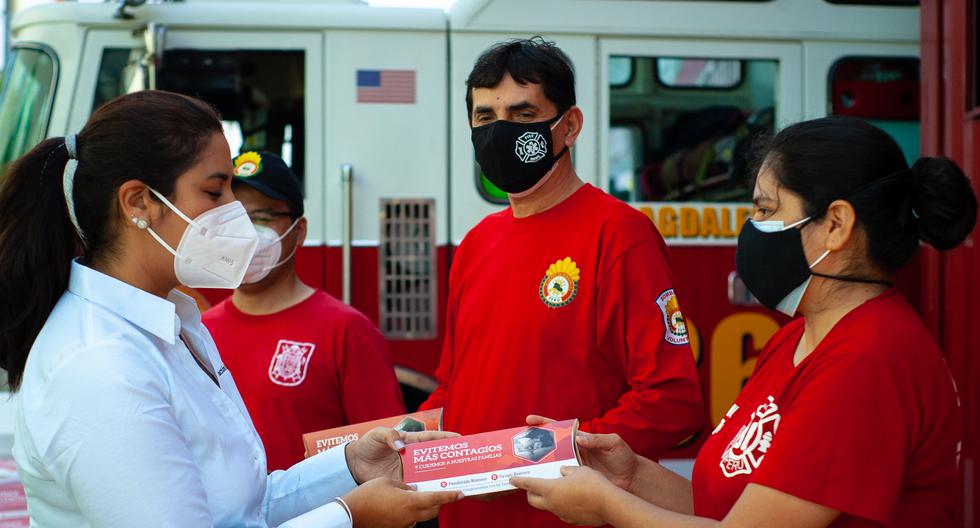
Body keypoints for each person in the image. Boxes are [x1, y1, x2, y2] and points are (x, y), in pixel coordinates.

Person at [0, 90, 460, 527]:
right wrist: (350, 515)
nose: (234, 215)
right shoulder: (100, 362)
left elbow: (244, 504)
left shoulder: (176, 324)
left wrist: (350, 466)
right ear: (138, 202)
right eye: (215, 192)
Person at [509, 116, 976, 527]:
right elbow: (729, 506)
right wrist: (630, 476)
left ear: (836, 224)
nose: (752, 226)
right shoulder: (799, 336)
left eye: (767, 210)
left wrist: (608, 506)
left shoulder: (867, 362)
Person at [419, 37, 704, 527]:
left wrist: (524, 459)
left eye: (523, 116)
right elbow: (453, 389)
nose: (499, 131)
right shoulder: (475, 244)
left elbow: (671, 401)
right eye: (485, 118)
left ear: (568, 126)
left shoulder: (619, 236)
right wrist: (405, 439)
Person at [202, 151, 405, 471]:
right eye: (230, 218)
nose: (243, 232)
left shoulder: (348, 333)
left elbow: (389, 462)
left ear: (299, 231)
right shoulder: (198, 333)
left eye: (262, 218)